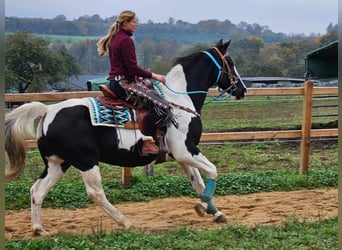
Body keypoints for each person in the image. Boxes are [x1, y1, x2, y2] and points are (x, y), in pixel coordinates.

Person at [97, 10, 166, 155]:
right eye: (134, 22)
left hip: (116, 82)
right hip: (123, 85)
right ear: (126, 23)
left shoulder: (116, 38)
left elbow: (127, 68)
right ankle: (147, 141)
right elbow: (133, 67)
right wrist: (155, 76)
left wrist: (137, 77)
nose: (137, 25)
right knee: (157, 103)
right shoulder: (126, 40)